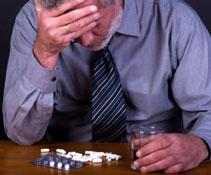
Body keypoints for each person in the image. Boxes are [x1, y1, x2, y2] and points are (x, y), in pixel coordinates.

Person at [3, 0, 211, 173]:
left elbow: (207, 111)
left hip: (155, 166)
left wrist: (199, 146)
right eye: (72, 27)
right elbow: (22, 134)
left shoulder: (177, 21)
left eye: (93, 23)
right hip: (67, 166)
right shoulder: (35, 21)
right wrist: (46, 51)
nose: (84, 41)